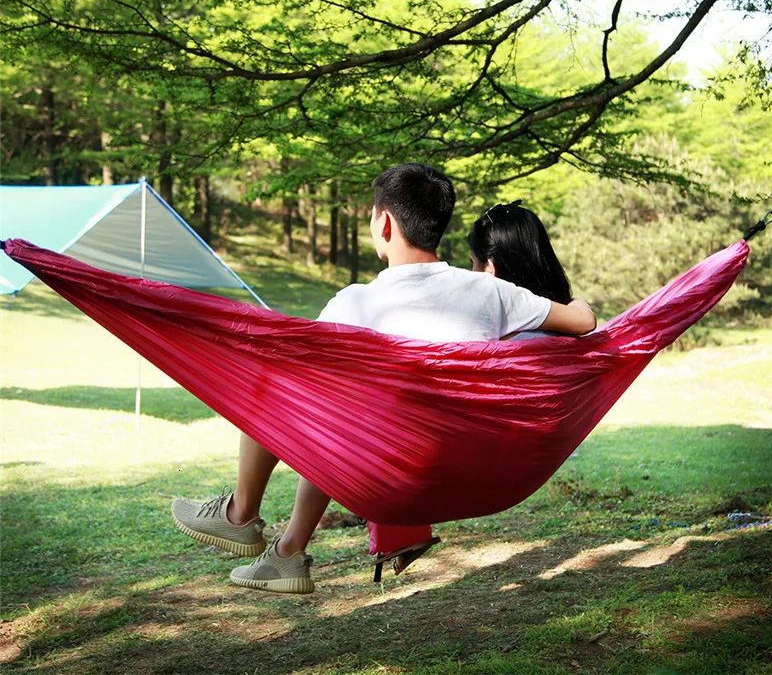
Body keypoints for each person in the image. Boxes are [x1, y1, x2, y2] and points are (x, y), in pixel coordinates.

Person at [171, 164, 596, 594]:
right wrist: (576, 300)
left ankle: (241, 514)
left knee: (276, 384)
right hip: (476, 474)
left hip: (386, 481)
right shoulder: (492, 291)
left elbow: (298, 387)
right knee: (336, 416)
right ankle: (286, 554)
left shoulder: (352, 305)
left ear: (385, 222)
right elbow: (583, 322)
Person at [467, 200, 578, 339]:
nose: (472, 272)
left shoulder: (477, 337)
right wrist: (576, 304)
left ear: (490, 269)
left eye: (473, 263)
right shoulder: (574, 326)